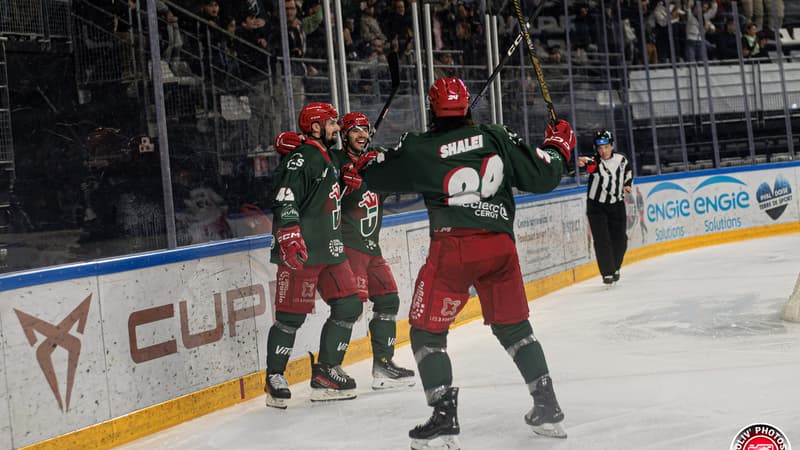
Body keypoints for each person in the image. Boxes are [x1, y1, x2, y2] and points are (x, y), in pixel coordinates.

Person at [356, 78, 574, 448]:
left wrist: (365, 158)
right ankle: (547, 406)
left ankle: (443, 415)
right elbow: (544, 175)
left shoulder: (419, 148)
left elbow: (374, 176)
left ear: (432, 110)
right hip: (500, 248)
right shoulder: (497, 136)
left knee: (426, 331)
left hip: (453, 248)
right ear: (468, 109)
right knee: (515, 328)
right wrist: (558, 145)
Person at [272, 112, 416, 390]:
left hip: (372, 249)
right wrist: (295, 142)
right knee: (350, 307)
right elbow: (312, 173)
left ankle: (383, 365)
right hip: (347, 248)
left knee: (388, 300)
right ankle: (329, 368)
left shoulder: (373, 161)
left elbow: (400, 160)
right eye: (353, 130)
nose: (361, 135)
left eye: (365, 130)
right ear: (343, 135)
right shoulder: (334, 160)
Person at [263, 102, 362, 409]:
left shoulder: (326, 157)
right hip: (302, 251)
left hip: (331, 250)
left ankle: (327, 372)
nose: (337, 127)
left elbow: (324, 194)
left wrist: (345, 180)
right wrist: (289, 233)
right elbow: (285, 197)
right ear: (316, 127)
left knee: (349, 305)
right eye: (332, 122)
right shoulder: (302, 158)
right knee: (290, 318)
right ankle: (274, 377)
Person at [577, 130, 633, 285]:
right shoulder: (595, 162)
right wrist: (581, 162)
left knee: (620, 240)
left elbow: (628, 171)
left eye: (606, 147)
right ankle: (607, 272)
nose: (603, 151)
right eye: (600, 148)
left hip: (617, 205)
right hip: (597, 207)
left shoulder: (621, 159)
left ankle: (615, 267)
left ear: (612, 146)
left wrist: (627, 185)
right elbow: (589, 164)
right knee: (602, 240)